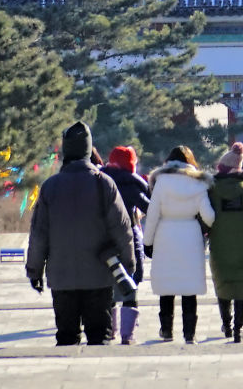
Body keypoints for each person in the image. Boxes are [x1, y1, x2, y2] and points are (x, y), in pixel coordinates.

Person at [26, 120, 137, 347]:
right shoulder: (104, 184)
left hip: (61, 278)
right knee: (99, 337)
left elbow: (39, 234)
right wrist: (129, 264)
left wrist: (34, 271)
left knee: (66, 337)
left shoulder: (50, 187)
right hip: (99, 276)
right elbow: (122, 228)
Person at [141, 144, 213, 343]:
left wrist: (147, 242)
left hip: (165, 235)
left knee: (167, 285)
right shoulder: (199, 183)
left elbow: (153, 214)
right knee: (189, 286)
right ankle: (190, 333)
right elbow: (209, 216)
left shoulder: (161, 182)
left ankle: (166, 330)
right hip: (190, 235)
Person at [206, 145, 243, 341]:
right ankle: (239, 329)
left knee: (223, 285)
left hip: (219, 246)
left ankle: (226, 325)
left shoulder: (212, 191)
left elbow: (205, 216)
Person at [100, 146, 153, 345]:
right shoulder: (130, 185)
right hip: (128, 237)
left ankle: (110, 330)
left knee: (109, 282)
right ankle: (127, 335)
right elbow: (149, 206)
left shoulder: (99, 181)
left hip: (103, 239)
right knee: (131, 282)